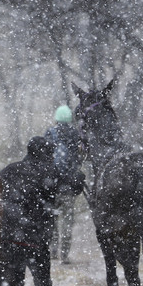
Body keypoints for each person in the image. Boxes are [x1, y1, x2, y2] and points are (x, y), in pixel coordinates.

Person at [0, 136, 65, 286]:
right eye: (50, 154)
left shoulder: (9, 171)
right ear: (46, 154)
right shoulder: (49, 172)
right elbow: (68, 190)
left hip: (11, 239)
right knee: (43, 285)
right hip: (37, 241)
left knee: (15, 284)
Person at [45, 105, 85, 263]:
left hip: (52, 186)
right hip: (68, 187)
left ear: (56, 118)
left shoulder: (50, 133)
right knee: (67, 222)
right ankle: (64, 254)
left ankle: (53, 250)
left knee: (52, 219)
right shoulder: (75, 134)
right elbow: (79, 158)